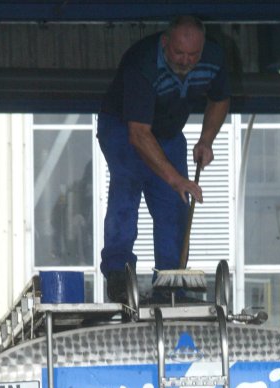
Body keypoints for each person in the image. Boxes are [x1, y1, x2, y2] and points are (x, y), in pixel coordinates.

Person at [97, 15, 231, 302]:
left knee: (174, 204)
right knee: (128, 186)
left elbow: (220, 99)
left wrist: (206, 139)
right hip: (123, 127)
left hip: (168, 132)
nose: (185, 61)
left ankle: (171, 283)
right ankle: (119, 274)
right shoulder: (142, 64)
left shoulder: (214, 58)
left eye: (193, 55)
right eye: (179, 53)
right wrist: (175, 178)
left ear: (203, 48)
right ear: (165, 42)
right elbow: (139, 135)